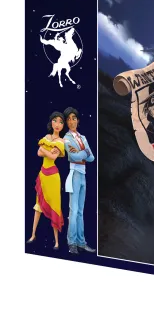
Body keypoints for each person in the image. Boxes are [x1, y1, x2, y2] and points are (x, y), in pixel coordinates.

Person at [27, 112, 65, 250]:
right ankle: (33, 235)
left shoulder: (61, 141)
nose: (58, 124)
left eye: (61, 122)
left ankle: (56, 242)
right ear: (51, 122)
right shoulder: (47, 137)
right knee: (38, 205)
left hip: (53, 177)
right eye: (55, 120)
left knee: (55, 205)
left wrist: (44, 148)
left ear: (63, 125)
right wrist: (46, 150)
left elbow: (52, 157)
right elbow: (39, 153)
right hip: (43, 175)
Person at [63, 107, 96, 255]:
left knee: (81, 211)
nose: (71, 122)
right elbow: (73, 157)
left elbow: (92, 157)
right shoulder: (66, 138)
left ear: (78, 120)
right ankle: (72, 243)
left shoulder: (83, 138)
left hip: (83, 175)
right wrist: (84, 153)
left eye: (74, 118)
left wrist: (81, 153)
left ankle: (81, 242)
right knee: (74, 210)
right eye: (68, 119)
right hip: (74, 174)